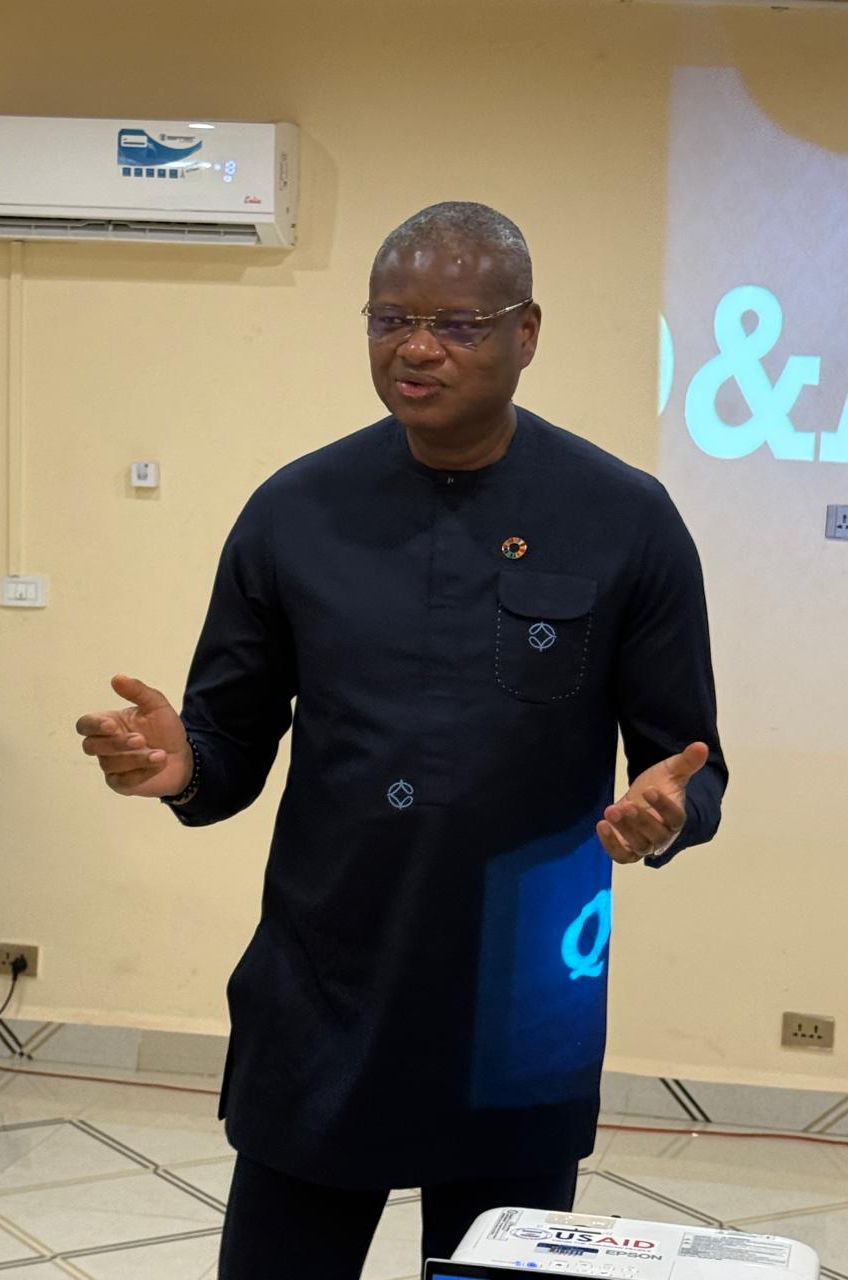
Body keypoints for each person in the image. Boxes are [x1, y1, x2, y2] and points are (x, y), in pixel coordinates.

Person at [76, 202, 727, 1279]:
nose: (416, 346)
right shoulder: (294, 510)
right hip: (325, 979)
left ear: (526, 332)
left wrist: (665, 815)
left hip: (524, 990)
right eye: (390, 318)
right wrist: (183, 762)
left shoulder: (627, 517)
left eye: (459, 323)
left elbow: (691, 766)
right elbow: (225, 739)